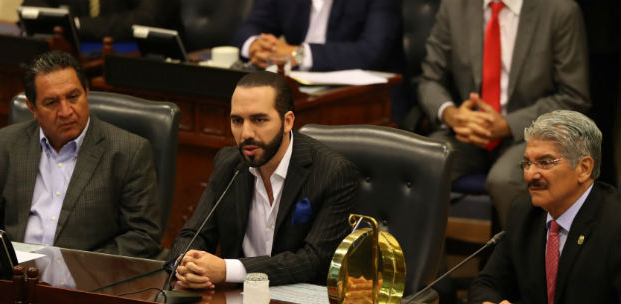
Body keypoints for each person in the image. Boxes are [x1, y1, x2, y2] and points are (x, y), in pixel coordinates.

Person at [167, 71, 359, 288]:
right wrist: (186, 263)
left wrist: (228, 270)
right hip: (236, 302)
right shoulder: (229, 164)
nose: (246, 133)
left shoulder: (333, 172)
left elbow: (313, 261)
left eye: (259, 120)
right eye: (237, 121)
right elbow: (193, 234)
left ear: (287, 122)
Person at [418, 0, 591, 227]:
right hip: (470, 133)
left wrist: (508, 124)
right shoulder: (454, 6)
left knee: (504, 180)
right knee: (423, 163)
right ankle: (427, 263)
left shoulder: (560, 10)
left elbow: (574, 96)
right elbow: (429, 79)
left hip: (532, 133)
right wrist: (450, 113)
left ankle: (521, 261)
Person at [465, 110, 621, 304]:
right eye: (527, 162)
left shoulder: (614, 222)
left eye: (545, 163)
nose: (530, 174)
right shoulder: (523, 211)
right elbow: (487, 283)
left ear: (584, 168)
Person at [0, 50, 162, 258]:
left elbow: (143, 236)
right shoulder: (7, 143)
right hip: (15, 277)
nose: (65, 112)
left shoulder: (128, 151)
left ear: (87, 93)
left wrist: (80, 268)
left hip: (85, 281)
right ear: (32, 107)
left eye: (73, 97)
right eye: (51, 103)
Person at [232, 0, 403, 73]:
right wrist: (257, 46)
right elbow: (249, 28)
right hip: (297, 93)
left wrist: (298, 55)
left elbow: (371, 53)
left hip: (370, 100)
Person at [20, 0, 177, 41]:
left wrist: (76, 25)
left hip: (131, 54)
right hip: (74, 50)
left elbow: (146, 18)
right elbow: (31, 4)